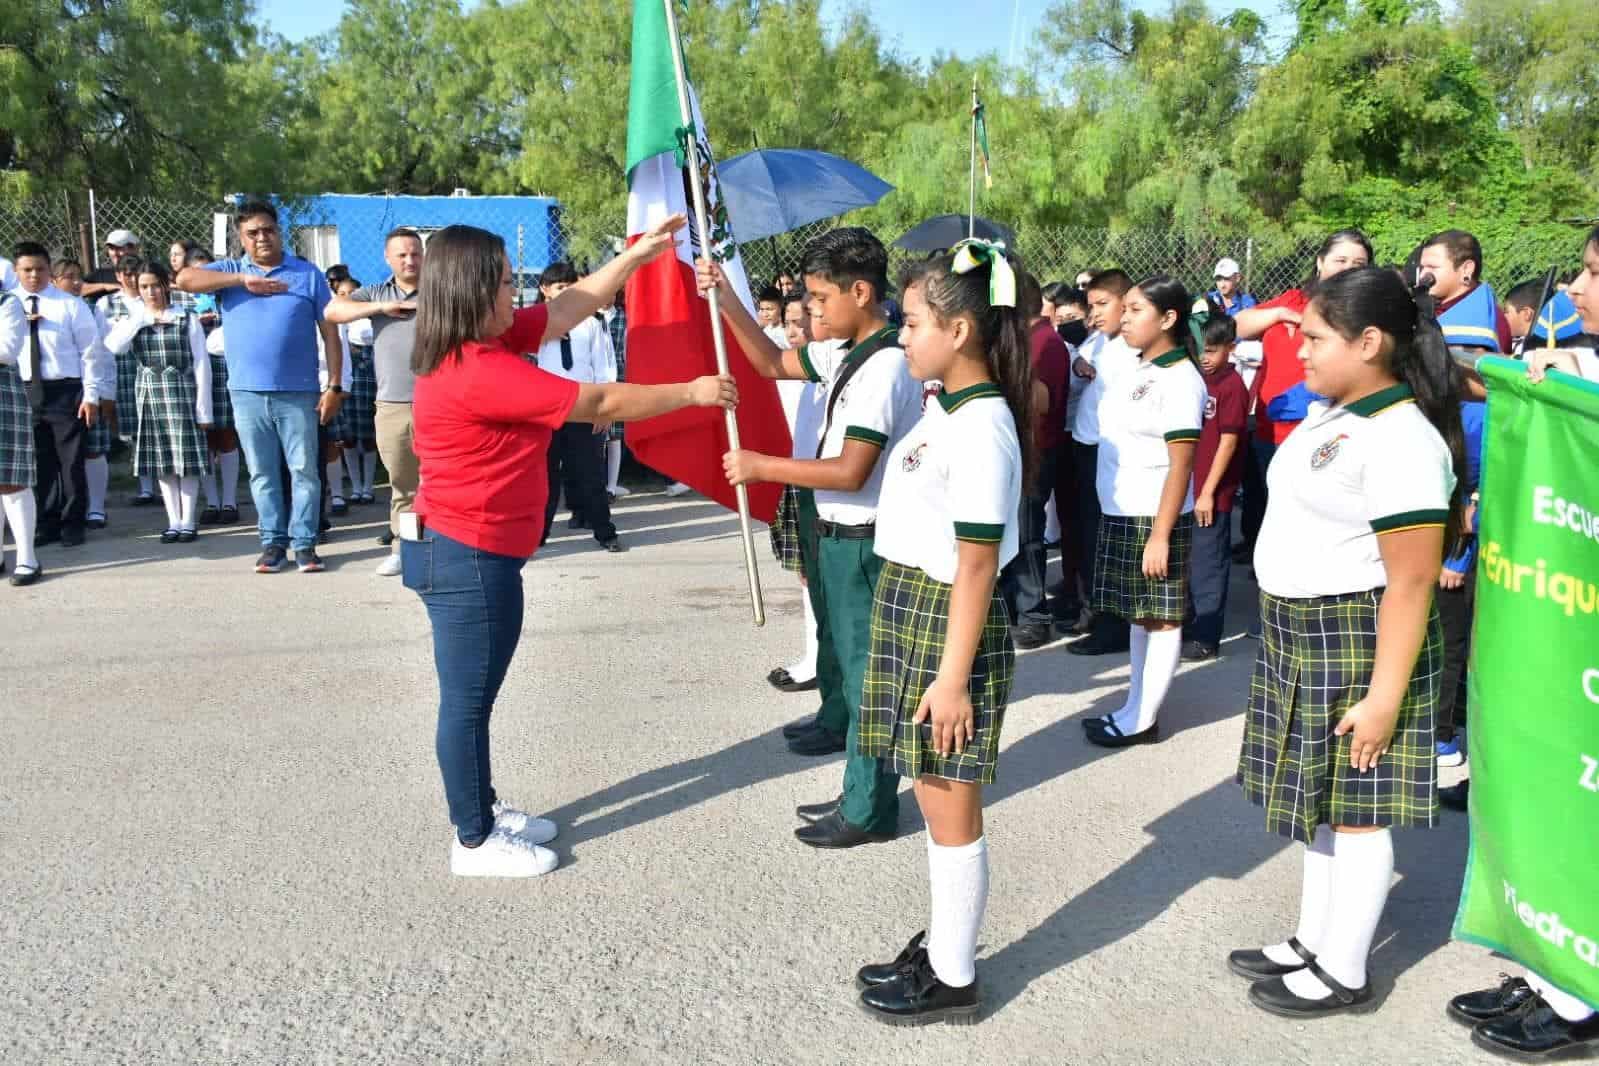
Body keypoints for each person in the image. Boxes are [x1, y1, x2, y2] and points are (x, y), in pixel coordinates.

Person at [403, 217, 733, 877]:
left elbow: (565, 308)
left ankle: (482, 808)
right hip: (467, 558)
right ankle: (472, 840)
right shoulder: (479, 370)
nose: (513, 295)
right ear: (472, 292)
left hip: (471, 551)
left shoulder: (479, 343)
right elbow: (602, 398)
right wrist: (692, 392)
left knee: (473, 699)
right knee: (468, 703)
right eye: (501, 283)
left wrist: (634, 259)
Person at [1227, 266, 1463, 1018]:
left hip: (1357, 635)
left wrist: (1384, 698)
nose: (1297, 348)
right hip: (1302, 627)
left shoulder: (1402, 440)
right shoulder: (1338, 412)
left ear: (1369, 342)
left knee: (1356, 806)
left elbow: (1411, 582)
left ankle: (1345, 968)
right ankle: (1312, 939)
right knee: (1320, 801)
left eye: (1314, 336)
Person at [850, 241, 1028, 1024]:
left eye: (913, 321)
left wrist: (953, 678)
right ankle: (945, 942)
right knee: (929, 788)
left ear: (958, 331)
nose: (901, 335)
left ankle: (955, 974)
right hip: (914, 605)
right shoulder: (945, 408)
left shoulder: (982, 423)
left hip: (946, 619)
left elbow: (978, 565)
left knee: (949, 796)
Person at [705, 226, 923, 847]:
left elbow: (853, 471)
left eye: (822, 297)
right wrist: (725, 299)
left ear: (862, 291)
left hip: (866, 540)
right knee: (846, 659)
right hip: (835, 534)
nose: (812, 309)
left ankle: (870, 808)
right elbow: (771, 362)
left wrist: (761, 467)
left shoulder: (886, 365)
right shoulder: (845, 349)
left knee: (870, 678)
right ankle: (852, 769)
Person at [176, 199, 345, 574]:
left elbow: (331, 333)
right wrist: (241, 280)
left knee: (304, 471)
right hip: (247, 393)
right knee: (262, 472)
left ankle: (305, 544)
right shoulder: (230, 272)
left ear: (279, 231)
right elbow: (185, 279)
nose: (261, 238)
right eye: (252, 233)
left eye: (268, 230)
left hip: (300, 392)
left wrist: (334, 385)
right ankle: (272, 543)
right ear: (241, 238)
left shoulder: (307, 273)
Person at [1081, 276, 1207, 748]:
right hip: (1124, 509)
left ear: (1168, 318)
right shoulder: (1139, 367)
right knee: (1141, 614)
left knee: (1161, 617)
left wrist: (1161, 534)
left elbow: (1182, 463)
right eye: (1125, 309)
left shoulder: (1179, 379)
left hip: (1154, 516)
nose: (1125, 318)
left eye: (1136, 310)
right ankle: (1134, 706)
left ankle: (1144, 719)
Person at [1234, 229, 1373, 562]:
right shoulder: (1293, 300)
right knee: (1268, 505)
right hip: (1274, 428)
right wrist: (1280, 314)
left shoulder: (1367, 311)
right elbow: (1238, 325)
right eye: (1340, 260)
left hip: (1329, 433)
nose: (1348, 268)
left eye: (1359, 262)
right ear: (1320, 262)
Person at [325, 227, 423, 577]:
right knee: (404, 483)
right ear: (388, 258)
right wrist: (383, 307)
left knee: (443, 483)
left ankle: (447, 549)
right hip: (393, 405)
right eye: (402, 254)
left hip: (440, 403)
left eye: (415, 252)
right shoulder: (377, 293)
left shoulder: (441, 291)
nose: (409, 260)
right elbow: (333, 310)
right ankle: (406, 549)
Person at [101, 263, 213, 543]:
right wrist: (140, 319)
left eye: (155, 285)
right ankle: (173, 520)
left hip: (181, 392)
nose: (150, 292)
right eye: (144, 287)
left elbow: (201, 364)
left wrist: (204, 409)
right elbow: (114, 347)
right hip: (150, 395)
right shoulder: (135, 319)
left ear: (166, 284)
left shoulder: (186, 318)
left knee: (185, 460)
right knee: (163, 461)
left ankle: (188, 521)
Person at [12, 242, 110, 551]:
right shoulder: (9, 304)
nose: (33, 275)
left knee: (70, 463)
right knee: (37, 463)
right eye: (27, 270)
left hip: (64, 390)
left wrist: (91, 394)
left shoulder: (69, 304)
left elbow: (91, 352)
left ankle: (72, 522)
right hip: (23, 390)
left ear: (49, 272)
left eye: (40, 269)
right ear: (16, 272)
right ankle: (46, 522)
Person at [1066, 269, 1140, 656]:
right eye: (1090, 305)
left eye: (1102, 305)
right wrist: (1080, 365)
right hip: (1085, 444)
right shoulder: (1100, 340)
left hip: (1109, 452)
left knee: (1106, 541)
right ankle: (1099, 613)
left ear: (1125, 303)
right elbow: (1081, 363)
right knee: (1089, 537)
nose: (1093, 313)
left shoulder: (1132, 347)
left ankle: (1114, 626)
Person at [999, 272, 1068, 649]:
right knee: (1014, 533)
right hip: (1018, 450)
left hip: (1034, 452)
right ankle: (1014, 603)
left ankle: (1035, 614)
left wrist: (1012, 364)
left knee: (1027, 535)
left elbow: (1040, 401)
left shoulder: (1044, 342)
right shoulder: (1030, 340)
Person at [533, 262, 622, 552]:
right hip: (546, 411)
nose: (565, 292)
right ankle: (538, 535)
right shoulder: (534, 324)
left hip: (583, 407)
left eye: (570, 287)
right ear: (545, 290)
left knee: (590, 474)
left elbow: (604, 367)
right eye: (559, 287)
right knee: (544, 477)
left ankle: (605, 532)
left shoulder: (592, 323)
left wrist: (604, 410)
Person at [767, 290, 828, 696]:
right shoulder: (795, 370)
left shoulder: (827, 363)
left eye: (804, 318)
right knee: (807, 576)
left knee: (826, 582)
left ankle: (821, 663)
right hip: (796, 482)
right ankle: (815, 657)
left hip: (825, 485)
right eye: (789, 322)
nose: (795, 330)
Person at [1184, 307, 1248, 661]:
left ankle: (1207, 636)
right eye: (1200, 350)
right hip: (1187, 487)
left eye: (1212, 350)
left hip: (1212, 493)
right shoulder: (1195, 379)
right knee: (1190, 563)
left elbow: (1228, 440)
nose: (1205, 357)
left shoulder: (1231, 386)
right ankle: (1190, 625)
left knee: (1209, 564)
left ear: (1230, 348)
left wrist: (1208, 492)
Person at [49, 259, 111, 530]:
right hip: (57, 391)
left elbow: (100, 354)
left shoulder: (91, 309)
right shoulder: (47, 309)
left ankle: (96, 508)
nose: (76, 283)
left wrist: (101, 392)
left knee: (93, 449)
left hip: (89, 387)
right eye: (68, 277)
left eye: (79, 277)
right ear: (54, 280)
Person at [180, 248, 239, 526]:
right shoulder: (183, 304)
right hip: (194, 373)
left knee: (226, 435)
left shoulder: (228, 297)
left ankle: (229, 500)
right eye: (199, 272)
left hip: (224, 368)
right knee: (204, 438)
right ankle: (211, 501)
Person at [97, 254, 155, 507]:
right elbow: (101, 342)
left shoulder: (150, 300)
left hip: (148, 367)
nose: (130, 278)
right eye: (125, 273)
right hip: (119, 369)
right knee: (131, 429)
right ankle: (145, 487)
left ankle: (158, 484)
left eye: (135, 273)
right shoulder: (106, 304)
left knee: (153, 425)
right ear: (118, 276)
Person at [325, 268, 379, 509]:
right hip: (344, 381)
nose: (346, 296)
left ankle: (368, 487)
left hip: (367, 379)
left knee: (367, 437)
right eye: (342, 292)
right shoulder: (334, 321)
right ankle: (355, 486)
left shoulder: (368, 321)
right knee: (347, 437)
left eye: (352, 292)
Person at [1419, 230, 1512, 354]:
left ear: (1467, 269)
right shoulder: (1434, 307)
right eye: (1422, 267)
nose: (1422, 275)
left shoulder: (1487, 322)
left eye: (1432, 267)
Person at [0, 291, 39, 584]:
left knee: (11, 479)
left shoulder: (8, 302)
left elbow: (7, 350)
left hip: (3, 396)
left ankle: (27, 558)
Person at [602, 290, 631, 498]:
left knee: (614, 437)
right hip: (594, 381)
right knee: (596, 438)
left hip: (618, 380)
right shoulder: (587, 318)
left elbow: (627, 352)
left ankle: (611, 486)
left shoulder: (624, 319)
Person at [80, 230, 142, 300]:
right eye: (111, 248)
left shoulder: (146, 270)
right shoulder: (102, 273)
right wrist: (105, 286)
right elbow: (77, 289)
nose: (115, 253)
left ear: (134, 248)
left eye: (119, 248)